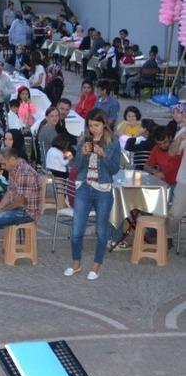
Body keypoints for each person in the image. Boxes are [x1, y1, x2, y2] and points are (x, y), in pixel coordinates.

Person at [62, 108, 121, 280]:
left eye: (96, 125)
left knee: (102, 231)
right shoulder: (84, 140)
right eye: (90, 125)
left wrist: (103, 155)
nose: (93, 128)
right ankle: (76, 263)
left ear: (104, 124)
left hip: (103, 189)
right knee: (76, 230)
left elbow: (113, 170)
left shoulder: (113, 143)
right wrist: (82, 154)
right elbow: (76, 166)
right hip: (84, 187)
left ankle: (96, 265)